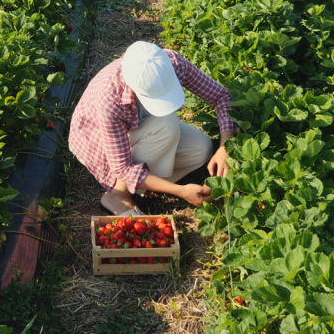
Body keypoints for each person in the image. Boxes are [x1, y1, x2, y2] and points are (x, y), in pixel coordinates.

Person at [69, 40, 235, 216]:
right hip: (96, 141)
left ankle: (145, 184)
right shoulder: (110, 96)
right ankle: (119, 194)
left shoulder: (172, 64)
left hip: (144, 127)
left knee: (202, 148)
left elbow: (222, 96)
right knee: (167, 125)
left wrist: (225, 147)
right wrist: (180, 191)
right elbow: (122, 167)